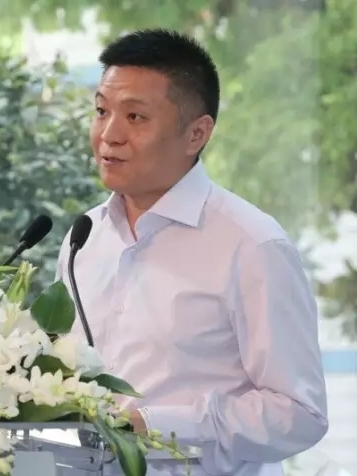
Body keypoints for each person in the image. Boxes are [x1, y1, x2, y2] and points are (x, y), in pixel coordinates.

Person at [55, 29, 328, 476]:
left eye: (135, 117)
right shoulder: (84, 237)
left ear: (196, 133)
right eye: (101, 111)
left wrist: (154, 425)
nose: (109, 134)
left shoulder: (252, 245)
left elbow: (299, 414)